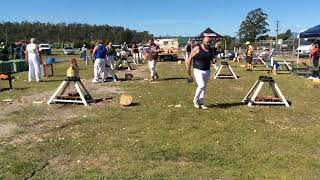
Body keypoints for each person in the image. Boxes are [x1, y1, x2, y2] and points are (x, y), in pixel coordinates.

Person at [185, 36, 215, 109]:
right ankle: (195, 100)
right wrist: (188, 71)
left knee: (203, 87)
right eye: (207, 42)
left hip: (207, 70)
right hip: (198, 70)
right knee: (201, 85)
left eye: (209, 42)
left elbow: (212, 59)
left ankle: (201, 102)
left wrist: (214, 60)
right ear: (203, 41)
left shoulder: (211, 50)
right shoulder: (197, 48)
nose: (208, 43)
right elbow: (189, 59)